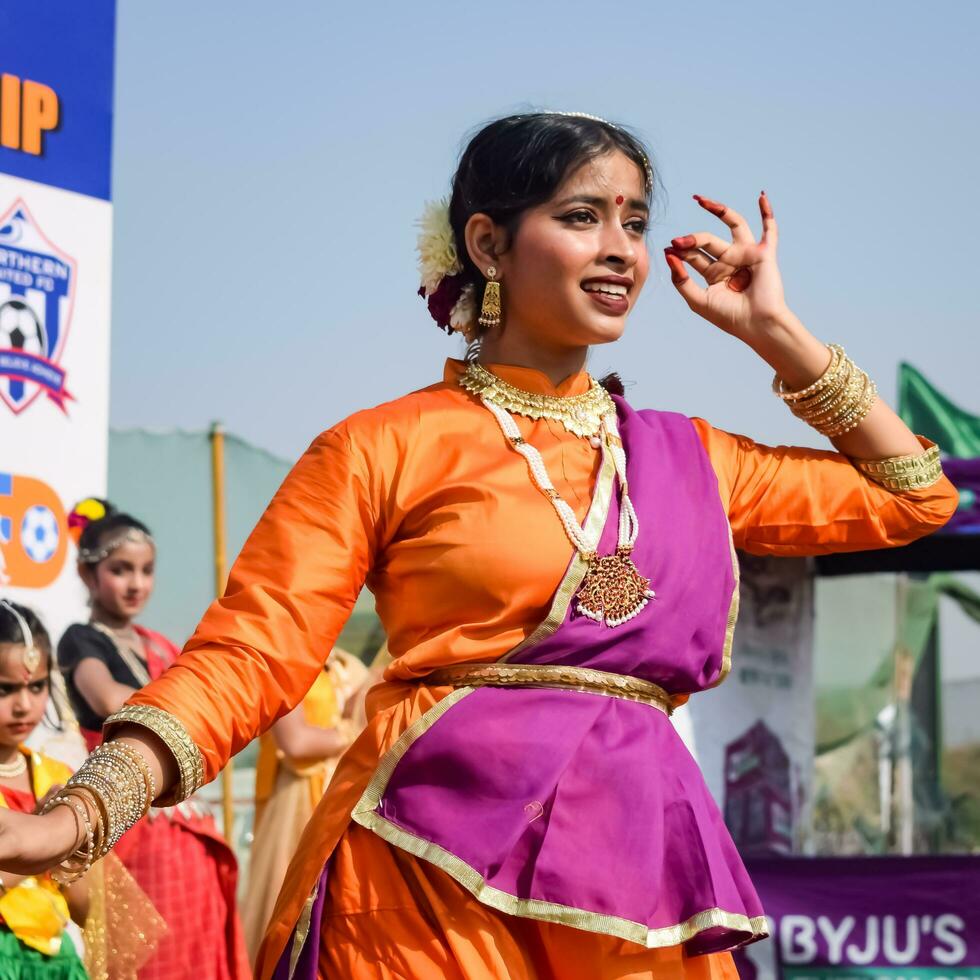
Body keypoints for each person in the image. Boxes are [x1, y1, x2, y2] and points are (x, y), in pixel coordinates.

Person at [0, 112, 958, 979]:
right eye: (583, 215)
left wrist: (778, 333)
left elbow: (915, 495)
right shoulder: (385, 445)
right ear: (488, 242)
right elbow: (253, 651)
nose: (620, 247)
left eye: (633, 220)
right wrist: (81, 815)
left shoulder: (689, 458)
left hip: (639, 881)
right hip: (423, 877)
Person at [56, 501, 251, 980]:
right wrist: (179, 713)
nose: (136, 583)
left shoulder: (158, 644)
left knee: (201, 940)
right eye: (120, 570)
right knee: (148, 954)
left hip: (182, 816)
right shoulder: (82, 640)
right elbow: (105, 698)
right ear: (87, 574)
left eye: (145, 571)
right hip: (124, 814)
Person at [241, 648, 367, 962]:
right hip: (296, 799)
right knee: (293, 900)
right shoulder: (280, 663)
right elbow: (296, 742)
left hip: (342, 790)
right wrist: (355, 732)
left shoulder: (344, 664)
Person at [0, 600, 89, 979]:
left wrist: (75, 845)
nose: (24, 705)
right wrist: (40, 829)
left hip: (59, 961)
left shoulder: (55, 774)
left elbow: (85, 910)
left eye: (36, 687)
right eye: (5, 689)